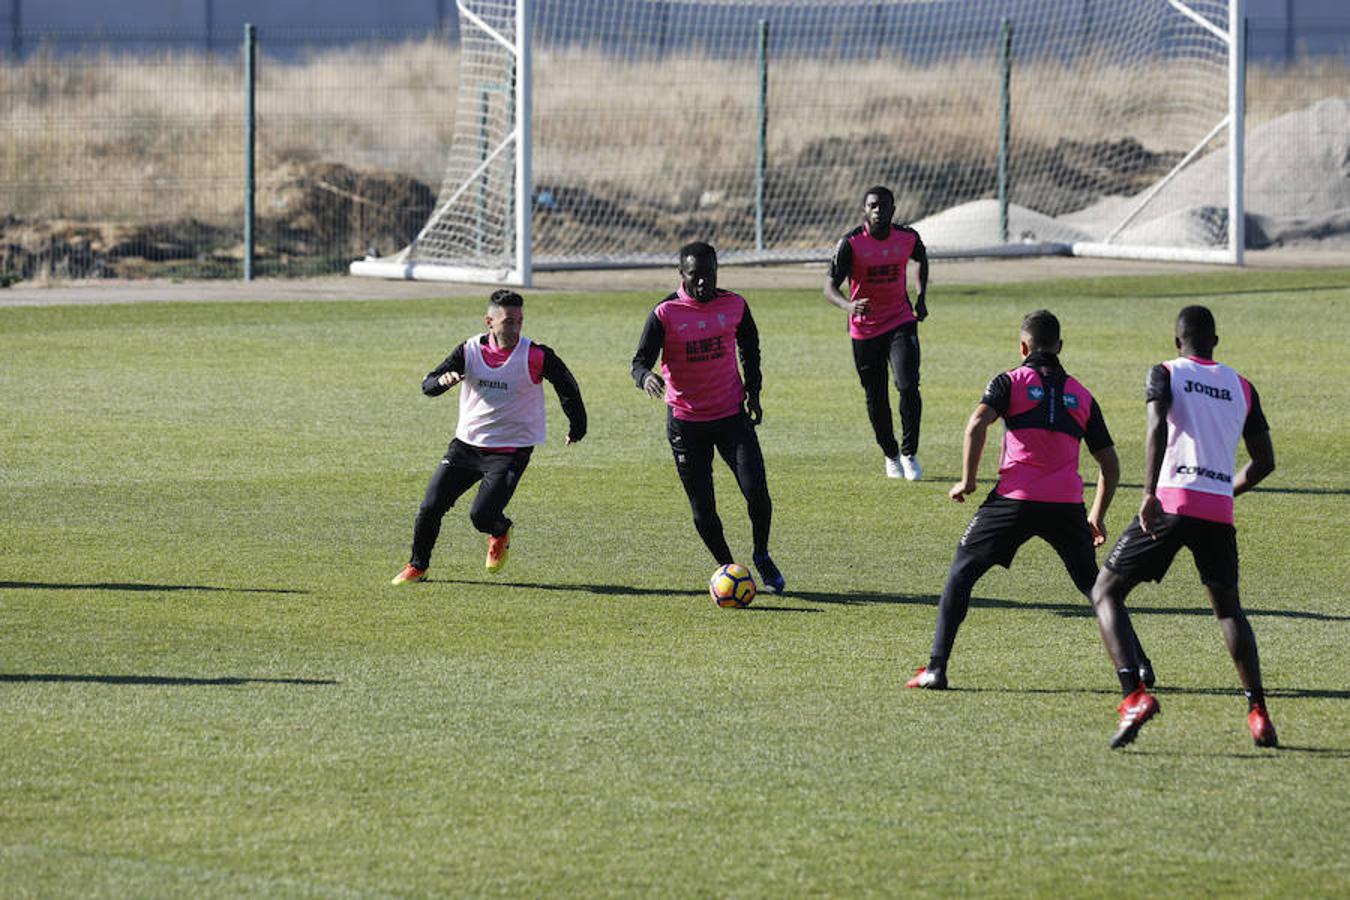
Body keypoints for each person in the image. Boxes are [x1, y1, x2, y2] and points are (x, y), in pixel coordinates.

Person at [907, 310, 1153, 690]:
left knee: (961, 574)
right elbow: (1110, 464)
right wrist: (1097, 515)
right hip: (1066, 506)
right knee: (1097, 587)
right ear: (1060, 347)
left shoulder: (1009, 382)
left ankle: (936, 668)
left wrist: (968, 480)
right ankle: (1138, 665)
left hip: (1013, 501)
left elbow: (976, 425)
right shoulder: (1082, 394)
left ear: (1023, 346)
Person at [1092, 305, 1277, 749]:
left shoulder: (1165, 372)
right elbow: (1264, 462)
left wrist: (1148, 492)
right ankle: (1258, 713)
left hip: (1171, 501)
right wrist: (1225, 490)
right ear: (1215, 341)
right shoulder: (1242, 386)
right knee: (1229, 610)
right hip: (1216, 510)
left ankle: (1134, 695)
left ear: (1178, 342)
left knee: (1105, 591)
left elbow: (1157, 425)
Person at [391, 289, 587, 584]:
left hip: (510, 451)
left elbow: (567, 385)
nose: (516, 328)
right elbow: (429, 383)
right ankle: (418, 566)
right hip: (466, 446)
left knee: (481, 516)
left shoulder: (535, 354)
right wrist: (441, 383)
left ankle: (500, 529)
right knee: (430, 507)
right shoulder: (468, 351)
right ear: (489, 322)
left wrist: (577, 426)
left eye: (519, 321)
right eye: (508, 322)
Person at [631, 241, 784, 593]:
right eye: (694, 275)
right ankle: (730, 569)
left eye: (709, 274)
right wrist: (646, 377)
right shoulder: (665, 313)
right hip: (686, 424)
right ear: (681, 274)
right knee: (703, 509)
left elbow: (750, 348)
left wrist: (754, 391)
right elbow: (638, 362)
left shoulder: (735, 305)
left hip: (731, 416)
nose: (703, 283)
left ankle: (761, 553)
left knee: (757, 493)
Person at [824, 185, 929, 480]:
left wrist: (920, 297)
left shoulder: (907, 237)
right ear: (864, 210)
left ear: (893, 210)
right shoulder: (851, 243)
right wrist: (848, 305)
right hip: (865, 330)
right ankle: (890, 454)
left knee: (908, 385)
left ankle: (909, 453)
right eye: (872, 205)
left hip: (900, 320)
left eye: (884, 205)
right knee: (876, 396)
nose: (878, 210)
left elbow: (921, 258)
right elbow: (828, 286)